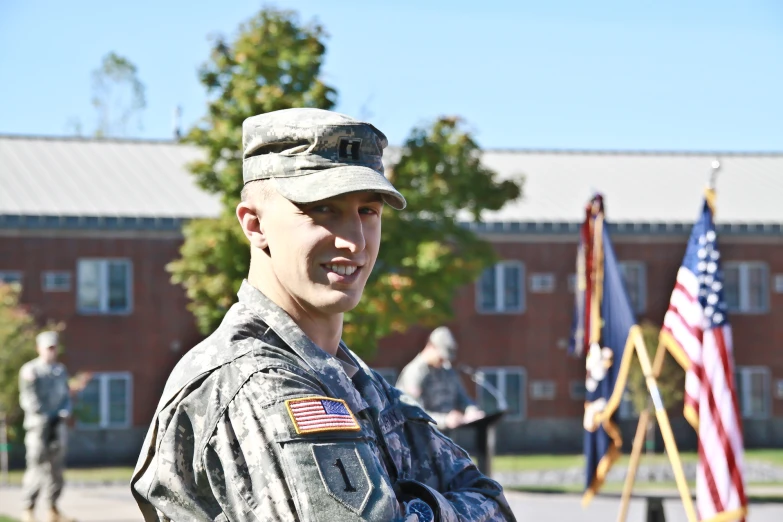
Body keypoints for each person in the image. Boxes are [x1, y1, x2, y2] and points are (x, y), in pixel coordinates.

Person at [131, 108, 515, 521]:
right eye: (323, 209)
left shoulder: (355, 381)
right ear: (255, 224)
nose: (354, 242)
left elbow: (494, 503)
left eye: (368, 211)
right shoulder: (257, 382)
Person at [18, 331, 75, 522]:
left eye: (54, 347)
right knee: (36, 467)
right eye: (47, 348)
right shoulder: (30, 370)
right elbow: (28, 398)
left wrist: (64, 412)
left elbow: (66, 397)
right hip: (38, 427)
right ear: (39, 348)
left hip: (57, 426)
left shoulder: (60, 371)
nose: (51, 351)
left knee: (56, 470)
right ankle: (29, 508)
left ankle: (52, 509)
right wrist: (43, 415)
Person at [396, 326, 485, 430]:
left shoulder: (447, 371)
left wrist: (471, 411)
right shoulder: (414, 373)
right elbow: (412, 413)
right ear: (431, 346)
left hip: (449, 438)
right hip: (422, 438)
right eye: (441, 357)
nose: (443, 361)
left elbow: (463, 398)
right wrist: (445, 420)